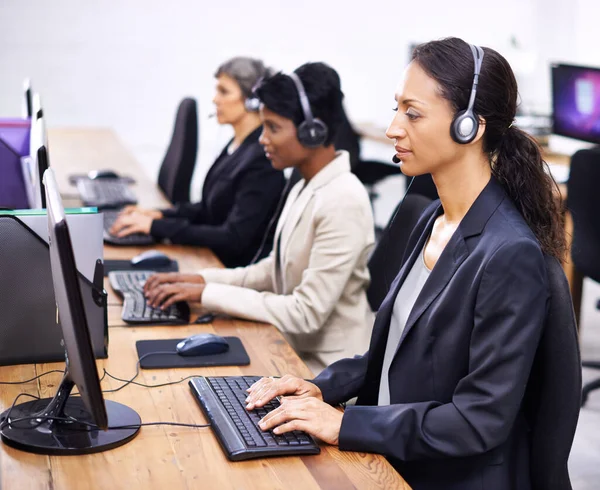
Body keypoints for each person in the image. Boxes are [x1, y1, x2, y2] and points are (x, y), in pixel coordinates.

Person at [243, 38, 567, 490]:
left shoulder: (508, 253)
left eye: (412, 113)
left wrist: (344, 425)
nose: (394, 128)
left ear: (469, 127)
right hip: (397, 451)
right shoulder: (435, 216)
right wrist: (320, 387)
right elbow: (393, 352)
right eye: (397, 109)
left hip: (447, 475)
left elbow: (478, 419)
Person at [144, 62, 376, 374]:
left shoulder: (343, 200)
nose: (263, 138)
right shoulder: (305, 184)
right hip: (286, 345)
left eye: (273, 128)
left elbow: (306, 313)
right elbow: (274, 270)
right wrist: (202, 280)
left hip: (324, 368)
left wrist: (208, 295)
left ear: (313, 131)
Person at [110, 57, 285, 268]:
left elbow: (233, 237)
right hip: (209, 259)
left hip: (228, 269)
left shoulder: (262, 161)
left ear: (252, 100)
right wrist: (159, 215)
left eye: (224, 91)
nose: (215, 99)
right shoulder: (237, 146)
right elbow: (210, 209)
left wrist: (156, 227)